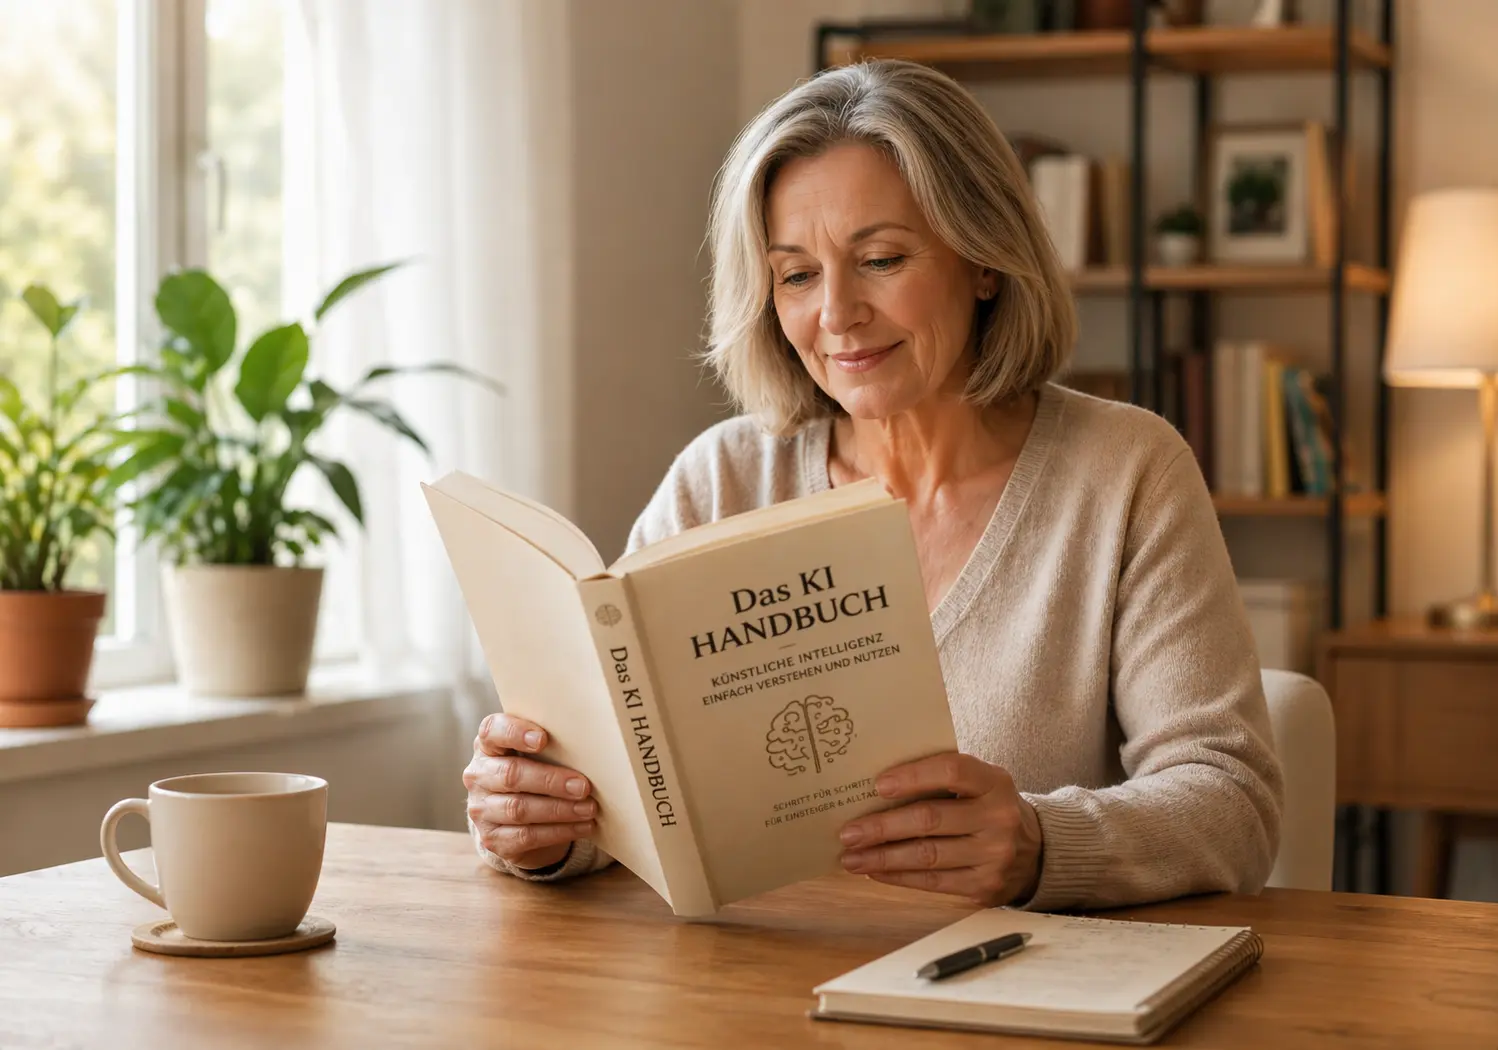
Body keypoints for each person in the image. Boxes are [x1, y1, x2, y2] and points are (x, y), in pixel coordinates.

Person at [462, 59, 1283, 912]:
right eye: (796, 275)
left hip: (1007, 1000)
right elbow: (639, 802)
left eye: (882, 258)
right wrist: (545, 824)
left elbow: (1232, 804)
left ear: (985, 261)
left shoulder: (1125, 472)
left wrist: (1041, 846)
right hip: (743, 995)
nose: (837, 313)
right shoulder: (724, 476)